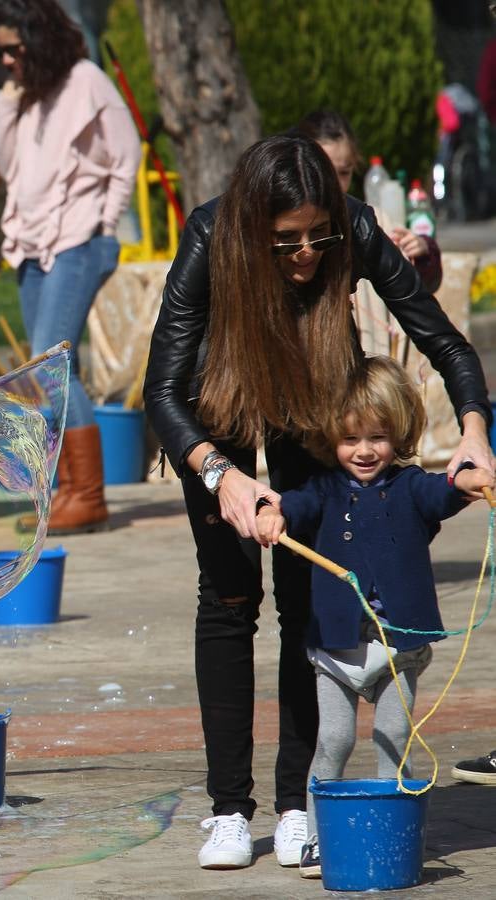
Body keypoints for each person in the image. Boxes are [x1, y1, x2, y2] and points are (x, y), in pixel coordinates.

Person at [142, 133, 492, 871]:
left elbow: (447, 345)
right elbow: (160, 391)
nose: (305, 254)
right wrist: (220, 476)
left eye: (316, 237)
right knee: (231, 596)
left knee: (309, 597)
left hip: (309, 399)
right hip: (216, 412)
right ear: (251, 232)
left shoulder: (354, 230)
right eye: (285, 242)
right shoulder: (210, 236)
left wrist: (471, 432)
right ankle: (229, 811)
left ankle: (300, 802)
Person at [254, 356, 493, 877]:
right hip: (337, 651)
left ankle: (397, 835)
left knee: (394, 744)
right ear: (331, 439)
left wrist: (473, 482)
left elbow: (446, 491)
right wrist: (271, 514)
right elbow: (290, 504)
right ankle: (317, 840)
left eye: (378, 437)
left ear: (399, 433)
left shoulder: (411, 487)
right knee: (333, 743)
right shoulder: (322, 489)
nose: (364, 451)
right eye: (350, 439)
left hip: (397, 651)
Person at [0, 0, 140, 534]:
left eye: (13, 49)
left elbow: (126, 155)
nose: (5, 60)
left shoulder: (86, 81)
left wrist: (105, 225)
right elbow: (7, 165)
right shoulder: (29, 94)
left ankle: (89, 495)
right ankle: (68, 490)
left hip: (78, 240)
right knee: (41, 371)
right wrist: (7, 105)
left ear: (40, 39)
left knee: (50, 363)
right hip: (33, 242)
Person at [294, 109, 441, 293]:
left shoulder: (369, 222)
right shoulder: (293, 229)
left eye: (344, 172)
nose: (335, 183)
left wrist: (422, 253)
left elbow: (417, 291)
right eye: (324, 172)